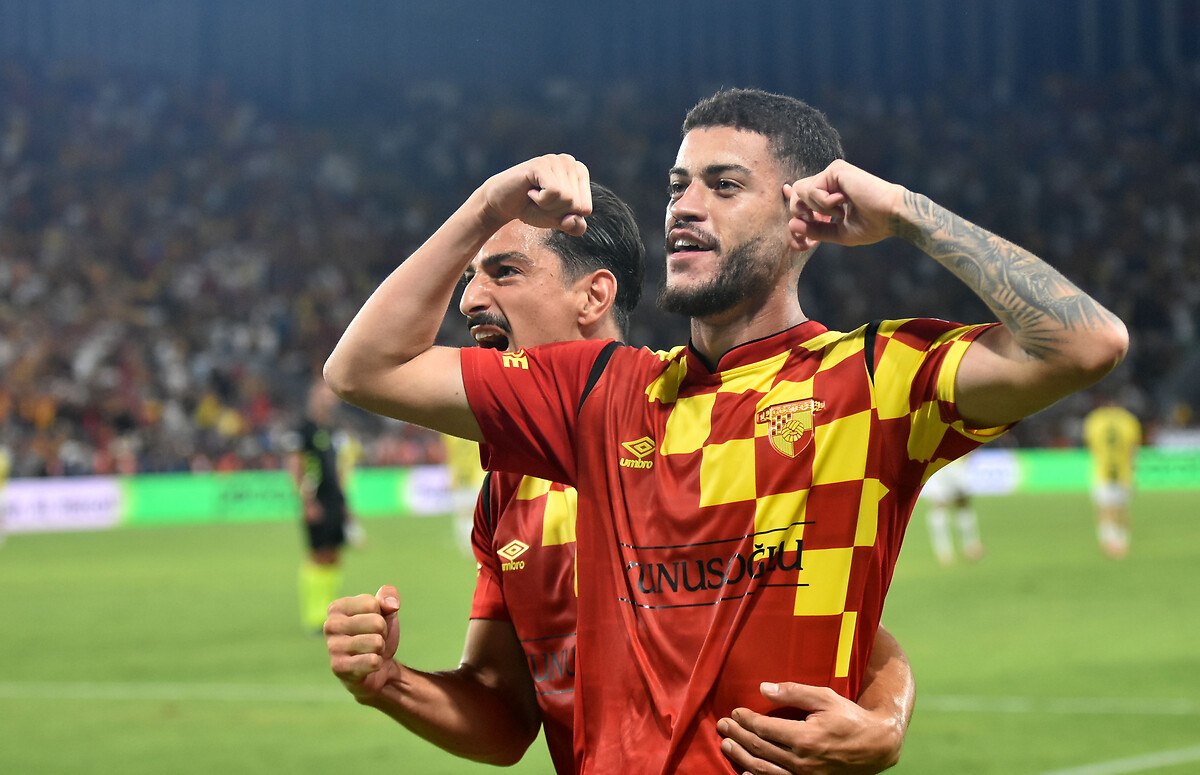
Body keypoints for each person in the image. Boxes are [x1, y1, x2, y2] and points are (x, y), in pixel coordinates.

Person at [323, 88, 1127, 771]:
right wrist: (488, 205)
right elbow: (367, 369)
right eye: (678, 186)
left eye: (724, 184)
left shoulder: (873, 380)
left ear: (804, 214)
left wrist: (906, 213)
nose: (684, 206)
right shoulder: (598, 394)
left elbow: (1087, 343)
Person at [325, 183, 916, 773]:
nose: (471, 300)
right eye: (470, 277)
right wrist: (388, 682)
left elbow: (839, 616)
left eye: (505, 272)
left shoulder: (695, 423)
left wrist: (887, 715)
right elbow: (505, 717)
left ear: (593, 296)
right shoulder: (509, 488)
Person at [288, 378, 354, 632]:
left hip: (334, 499)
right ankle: (314, 615)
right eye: (324, 395)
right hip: (317, 499)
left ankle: (329, 609)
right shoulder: (303, 429)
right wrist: (307, 501)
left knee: (334, 555)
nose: (329, 399)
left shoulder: (333, 429)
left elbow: (339, 469)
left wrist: (345, 502)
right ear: (314, 398)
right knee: (318, 556)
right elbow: (296, 466)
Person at [1082, 399, 1142, 559]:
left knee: (1104, 509)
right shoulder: (1128, 419)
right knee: (1121, 508)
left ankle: (1108, 542)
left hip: (1102, 472)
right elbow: (1134, 446)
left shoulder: (1095, 419)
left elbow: (1089, 443)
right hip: (1124, 473)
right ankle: (1122, 542)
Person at [919, 453, 984, 566]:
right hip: (950, 465)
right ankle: (966, 546)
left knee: (942, 507)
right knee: (957, 505)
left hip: (941, 465)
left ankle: (946, 551)